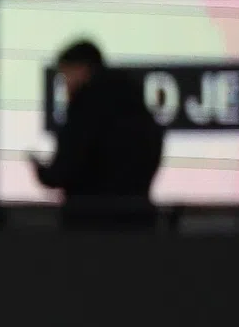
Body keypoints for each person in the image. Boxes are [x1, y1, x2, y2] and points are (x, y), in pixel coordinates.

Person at [30, 41, 165, 229]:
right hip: (138, 224)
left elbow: (62, 170)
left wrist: (40, 169)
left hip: (89, 227)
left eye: (66, 76)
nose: (65, 86)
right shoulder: (134, 104)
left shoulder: (84, 110)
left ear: (81, 69)